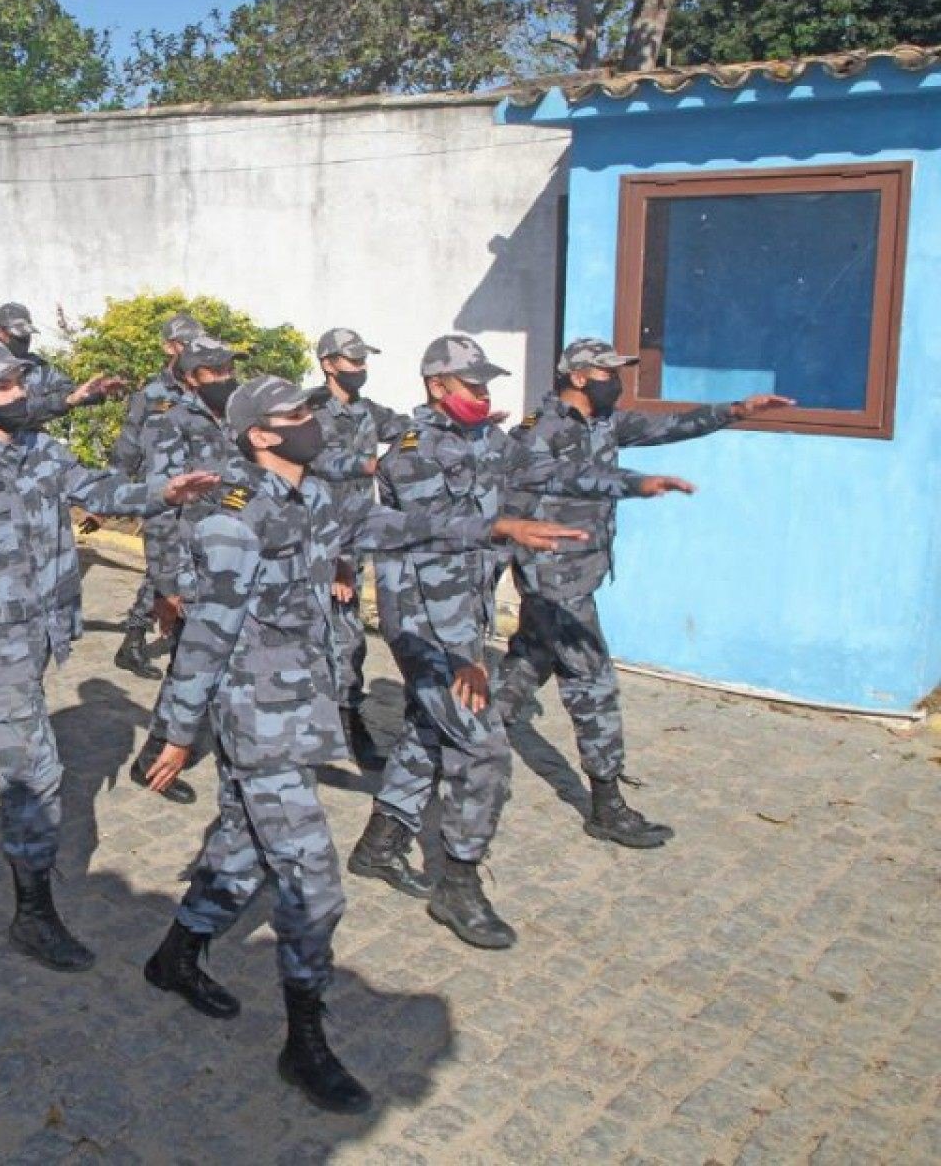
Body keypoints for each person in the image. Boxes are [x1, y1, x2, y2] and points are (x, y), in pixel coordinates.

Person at [137, 376, 581, 1113]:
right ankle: (304, 1044)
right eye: (299, 416)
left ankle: (174, 956)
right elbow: (206, 634)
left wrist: (497, 529)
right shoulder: (231, 519)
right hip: (255, 721)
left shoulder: (312, 499)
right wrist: (178, 732)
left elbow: (394, 529)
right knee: (313, 886)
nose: (315, 422)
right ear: (261, 435)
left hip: (297, 711)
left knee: (242, 852)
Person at [0, 339, 220, 972]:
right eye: (4, 387)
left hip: (42, 632)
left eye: (21, 384)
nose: (19, 395)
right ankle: (33, 916)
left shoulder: (45, 452)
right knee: (35, 774)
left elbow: (104, 489)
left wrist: (164, 494)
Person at [350, 334, 643, 950]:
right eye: (472, 387)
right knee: (482, 750)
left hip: (464, 614)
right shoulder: (413, 452)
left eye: (487, 387)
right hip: (428, 623)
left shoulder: (485, 438)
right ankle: (457, 884)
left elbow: (536, 472)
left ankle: (380, 843)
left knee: (432, 728)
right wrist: (467, 658)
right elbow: (440, 553)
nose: (484, 397)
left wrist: (632, 484)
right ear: (437, 387)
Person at [494, 338, 795, 847]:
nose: (620, 378)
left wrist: (737, 410)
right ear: (580, 376)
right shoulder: (537, 431)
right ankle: (606, 803)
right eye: (610, 371)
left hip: (582, 568)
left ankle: (457, 736)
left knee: (528, 661)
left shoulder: (609, 421)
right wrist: (632, 483)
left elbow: (671, 425)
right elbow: (558, 481)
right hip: (551, 573)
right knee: (591, 678)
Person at [125, 334, 253, 806]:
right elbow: (161, 507)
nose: (225, 379)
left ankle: (201, 743)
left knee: (219, 666)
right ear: (190, 375)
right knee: (188, 665)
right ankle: (156, 757)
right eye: (213, 372)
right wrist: (165, 583)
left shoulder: (240, 419)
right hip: (193, 568)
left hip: (235, 563)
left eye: (228, 370)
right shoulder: (170, 424)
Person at [301, 327, 411, 771]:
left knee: (346, 637)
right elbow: (310, 466)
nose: (360, 369)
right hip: (316, 539)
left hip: (355, 536)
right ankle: (309, 724)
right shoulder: (307, 411)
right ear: (328, 363)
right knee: (313, 631)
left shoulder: (368, 411)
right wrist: (332, 556)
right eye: (352, 361)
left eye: (365, 361)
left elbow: (409, 431)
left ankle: (347, 719)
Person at [110, 311, 206, 680]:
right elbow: (128, 445)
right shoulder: (150, 394)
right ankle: (147, 638)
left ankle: (137, 638)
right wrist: (114, 494)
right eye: (186, 345)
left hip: (200, 498)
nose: (192, 351)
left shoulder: (207, 386)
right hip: (160, 497)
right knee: (163, 567)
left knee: (176, 569)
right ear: (169, 346)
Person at [0, 302, 124, 427]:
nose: (25, 340)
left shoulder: (37, 367)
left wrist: (95, 391)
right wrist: (65, 400)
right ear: (0, 333)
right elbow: (13, 410)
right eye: (19, 335)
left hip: (28, 440)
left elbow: (68, 391)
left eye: (27, 335)